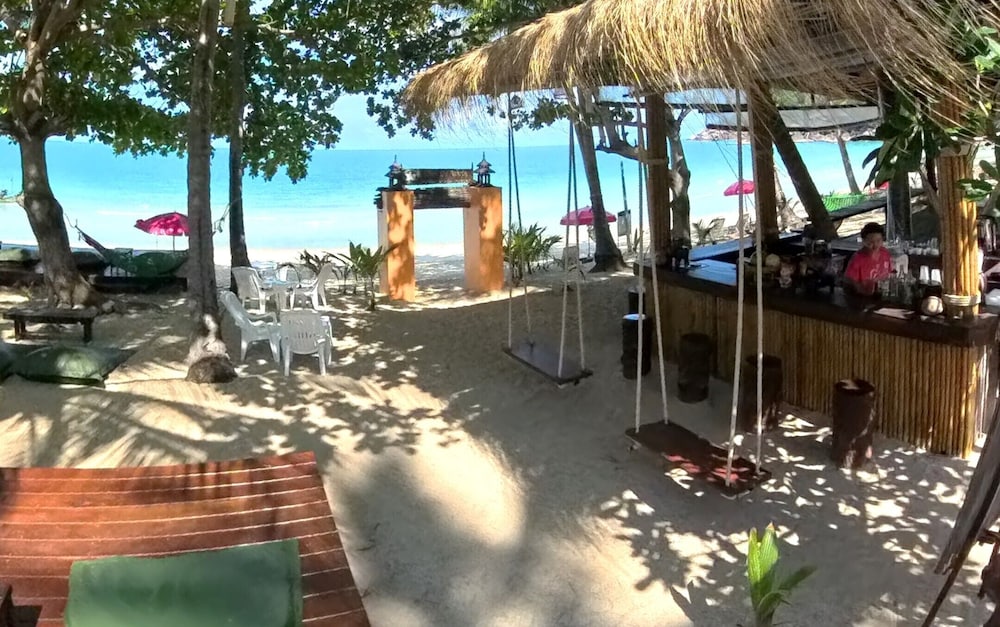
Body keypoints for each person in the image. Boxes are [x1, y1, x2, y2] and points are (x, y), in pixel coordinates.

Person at [843, 222, 892, 295]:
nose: (875, 245)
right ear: (864, 241)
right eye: (871, 242)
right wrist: (860, 288)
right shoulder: (857, 259)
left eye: (878, 241)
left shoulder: (885, 253)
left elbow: (890, 273)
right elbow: (848, 281)